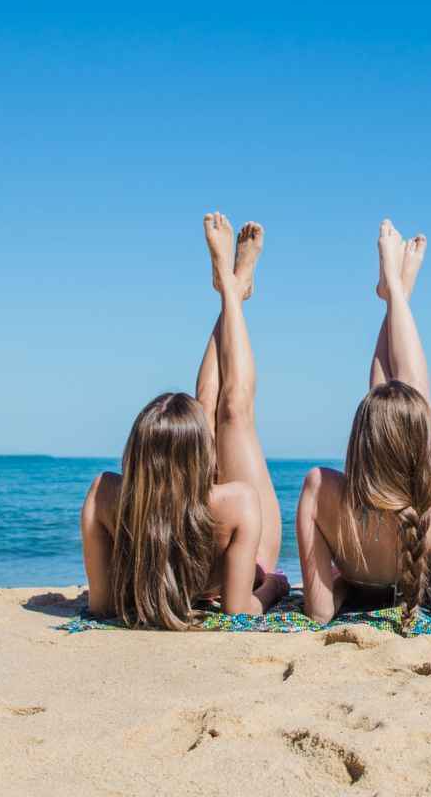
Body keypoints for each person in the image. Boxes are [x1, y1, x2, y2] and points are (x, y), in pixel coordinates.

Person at [79, 213, 288, 629]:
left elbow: (100, 606)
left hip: (186, 512)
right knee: (233, 410)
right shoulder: (237, 501)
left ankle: (232, 291)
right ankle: (233, 292)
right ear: (202, 458)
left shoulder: (104, 493)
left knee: (208, 401)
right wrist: (275, 587)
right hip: (236, 547)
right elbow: (238, 610)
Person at [295, 220, 431, 631]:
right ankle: (397, 292)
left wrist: (343, 590)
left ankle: (397, 292)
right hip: (424, 529)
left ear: (357, 438)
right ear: (426, 445)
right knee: (413, 402)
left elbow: (320, 613)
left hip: (368, 535)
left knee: (392, 405)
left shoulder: (319, 488)